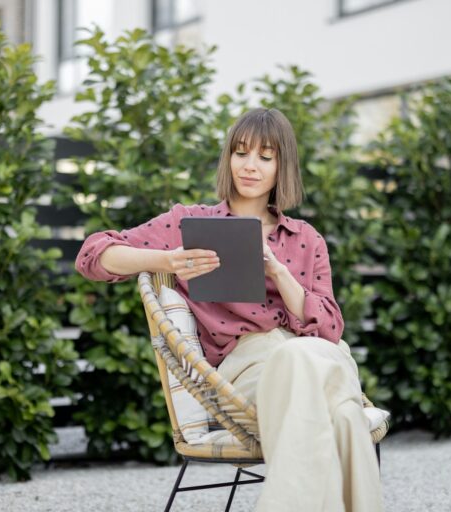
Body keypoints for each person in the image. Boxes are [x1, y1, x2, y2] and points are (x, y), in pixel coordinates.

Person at [75, 108, 383, 511]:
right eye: (241, 153)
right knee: (344, 417)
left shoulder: (305, 238)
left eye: (265, 156)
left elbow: (329, 330)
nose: (250, 166)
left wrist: (277, 270)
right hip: (250, 370)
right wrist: (166, 261)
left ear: (282, 166)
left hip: (318, 357)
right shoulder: (190, 222)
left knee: (302, 353)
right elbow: (93, 255)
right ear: (228, 158)